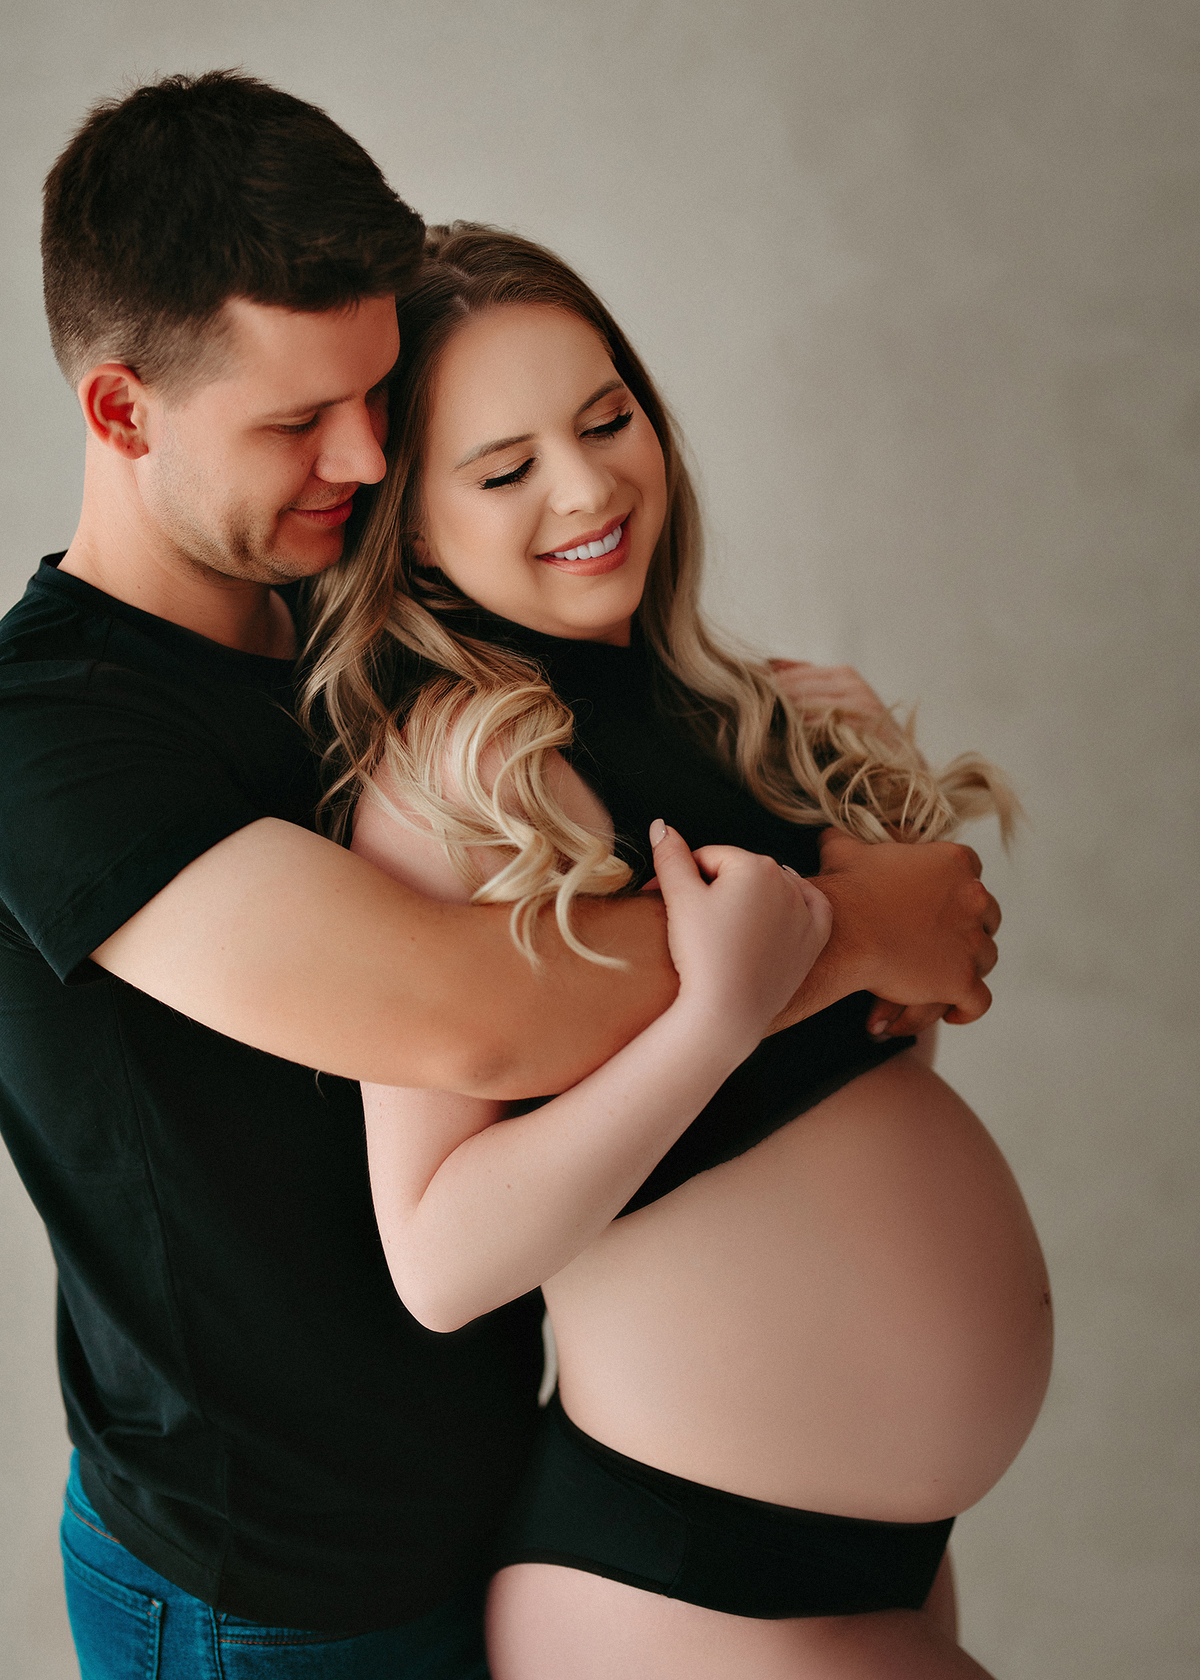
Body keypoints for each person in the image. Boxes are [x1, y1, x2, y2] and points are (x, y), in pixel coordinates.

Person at [0, 70, 1004, 1679]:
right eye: (298, 421)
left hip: (489, 1495)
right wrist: (852, 915)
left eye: (375, 399)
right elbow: (472, 1015)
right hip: (273, 1586)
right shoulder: (48, 735)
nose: (361, 455)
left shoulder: (362, 645)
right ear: (123, 413)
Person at [302, 224, 1053, 1679]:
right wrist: (714, 1017)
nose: (588, 487)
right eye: (505, 469)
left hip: (874, 1549)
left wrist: (856, 802)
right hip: (685, 1583)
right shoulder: (464, 777)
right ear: (413, 530)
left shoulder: (748, 714)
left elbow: (850, 1098)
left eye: (606, 420)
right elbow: (441, 1260)